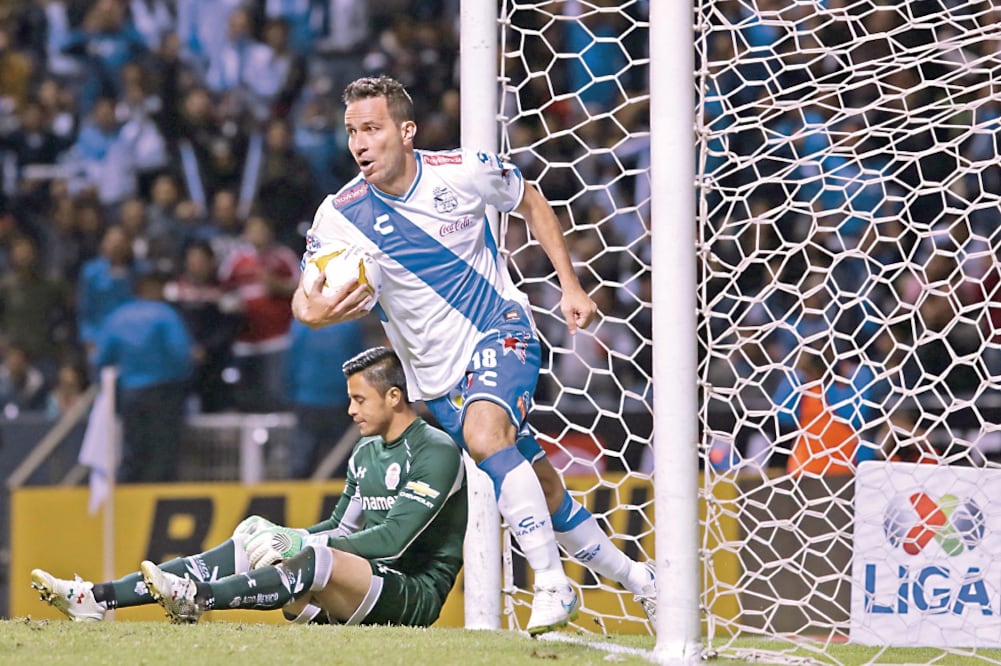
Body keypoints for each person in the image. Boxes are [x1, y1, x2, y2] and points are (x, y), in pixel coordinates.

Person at [291, 75, 655, 635]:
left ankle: (553, 584)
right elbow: (304, 300)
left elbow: (529, 197)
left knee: (488, 440)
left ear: (405, 131)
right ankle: (639, 580)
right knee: (546, 490)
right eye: (351, 132)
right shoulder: (339, 215)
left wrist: (570, 285)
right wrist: (315, 314)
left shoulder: (462, 170)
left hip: (500, 327)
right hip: (436, 380)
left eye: (372, 128)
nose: (360, 143)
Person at [31, 346, 468, 630]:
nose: (350, 409)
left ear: (394, 397)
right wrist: (281, 535)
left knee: (314, 554)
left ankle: (197, 599)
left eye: (359, 399)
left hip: (414, 594)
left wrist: (301, 539)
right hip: (361, 587)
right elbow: (340, 525)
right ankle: (95, 597)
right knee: (251, 535)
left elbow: (392, 542)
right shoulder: (366, 453)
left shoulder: (437, 451)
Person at [92, 270, 194, 483]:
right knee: (163, 453)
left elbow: (101, 358)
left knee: (133, 450)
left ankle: (132, 501)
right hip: (164, 392)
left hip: (130, 394)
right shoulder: (165, 314)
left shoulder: (118, 316)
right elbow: (181, 353)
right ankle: (158, 500)